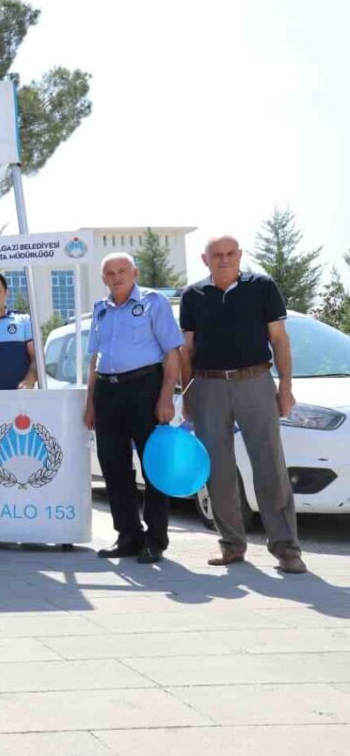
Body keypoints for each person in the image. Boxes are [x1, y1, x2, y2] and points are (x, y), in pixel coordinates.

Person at [179, 235, 307, 574]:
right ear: (205, 259)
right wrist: (187, 394)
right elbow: (187, 350)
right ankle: (232, 545)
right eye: (216, 254)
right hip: (208, 386)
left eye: (230, 253)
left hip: (255, 381)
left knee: (270, 465)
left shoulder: (262, 287)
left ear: (240, 255)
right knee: (217, 469)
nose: (224, 259)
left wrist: (286, 388)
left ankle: (287, 550)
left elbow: (279, 339)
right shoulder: (192, 295)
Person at [84, 254, 183, 564]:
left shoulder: (154, 303)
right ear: (104, 278)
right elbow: (94, 359)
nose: (116, 277)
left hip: (145, 388)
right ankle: (128, 535)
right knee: (113, 465)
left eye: (122, 271)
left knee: (153, 464)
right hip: (107, 391)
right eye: (109, 273)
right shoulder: (100, 309)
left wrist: (166, 397)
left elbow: (172, 353)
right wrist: (90, 403)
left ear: (135, 273)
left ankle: (155, 539)